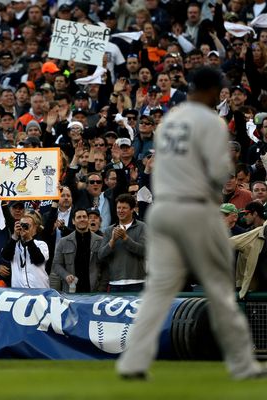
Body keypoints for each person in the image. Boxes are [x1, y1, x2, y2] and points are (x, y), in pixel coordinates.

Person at [117, 67, 266, 380]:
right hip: (194, 208)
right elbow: (218, 172)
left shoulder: (171, 119)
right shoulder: (210, 121)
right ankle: (242, 363)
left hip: (163, 209)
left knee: (158, 289)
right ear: (212, 90)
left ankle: (133, 361)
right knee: (220, 287)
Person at [98, 194, 146, 292]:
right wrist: (112, 241)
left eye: (124, 208)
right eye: (118, 208)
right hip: (114, 283)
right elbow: (101, 255)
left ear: (132, 209)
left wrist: (125, 238)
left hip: (137, 283)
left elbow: (144, 251)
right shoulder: (109, 230)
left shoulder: (142, 227)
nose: (120, 210)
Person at [52, 208, 107, 293]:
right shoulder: (63, 242)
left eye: (84, 217)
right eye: (79, 217)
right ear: (73, 221)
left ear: (88, 220)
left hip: (94, 292)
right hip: (71, 292)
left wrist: (101, 289)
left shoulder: (100, 240)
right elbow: (56, 265)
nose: (82, 219)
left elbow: (105, 267)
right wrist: (66, 275)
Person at [1, 210, 49, 289]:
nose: (23, 228)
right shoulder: (13, 244)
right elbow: (5, 256)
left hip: (39, 291)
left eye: (27, 225)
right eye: (22, 225)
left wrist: (29, 239)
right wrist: (14, 236)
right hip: (19, 293)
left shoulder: (41, 244)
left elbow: (38, 260)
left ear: (35, 228)